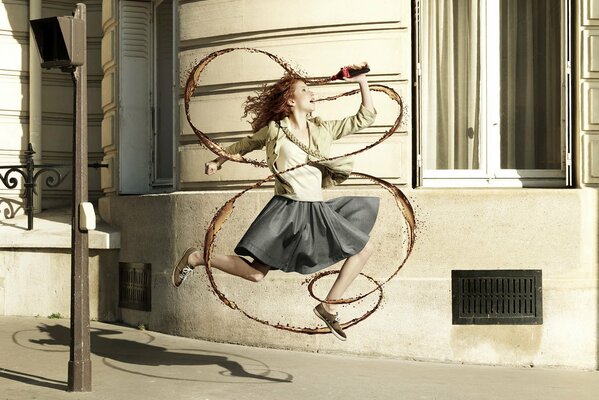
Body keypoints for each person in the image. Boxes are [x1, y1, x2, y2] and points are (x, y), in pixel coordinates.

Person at [172, 70, 379, 341]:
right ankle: (197, 257)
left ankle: (328, 306)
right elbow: (243, 145)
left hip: (316, 210)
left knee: (365, 248)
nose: (312, 94)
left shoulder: (323, 129)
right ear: (291, 101)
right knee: (256, 275)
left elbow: (365, 118)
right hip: (287, 210)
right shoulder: (275, 131)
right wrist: (217, 161)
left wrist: (362, 82)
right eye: (304, 89)